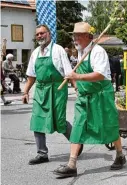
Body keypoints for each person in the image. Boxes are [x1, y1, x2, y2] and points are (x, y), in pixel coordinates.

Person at [53, 22, 126, 178]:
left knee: (109, 125)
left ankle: (120, 155)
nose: (75, 38)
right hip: (85, 97)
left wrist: (77, 77)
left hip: (101, 95)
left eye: (78, 35)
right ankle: (72, 164)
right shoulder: (81, 51)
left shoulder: (97, 51)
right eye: (74, 35)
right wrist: (78, 86)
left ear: (88, 37)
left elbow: (100, 74)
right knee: (78, 127)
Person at [22, 24, 77, 165]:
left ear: (49, 34)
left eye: (42, 33)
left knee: (59, 121)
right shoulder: (35, 53)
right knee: (37, 121)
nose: (40, 36)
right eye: (37, 34)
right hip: (41, 90)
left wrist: (76, 88)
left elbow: (69, 73)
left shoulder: (58, 50)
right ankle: (42, 154)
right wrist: (26, 91)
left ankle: (76, 143)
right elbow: (31, 76)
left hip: (57, 89)